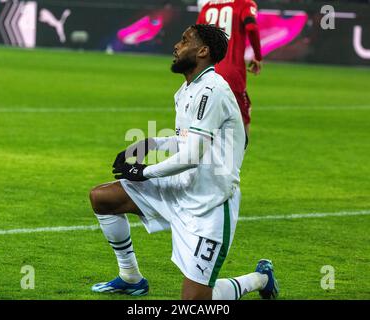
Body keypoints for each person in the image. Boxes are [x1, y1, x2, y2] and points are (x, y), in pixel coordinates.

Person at [89, 24, 278, 300]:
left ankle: (260, 278)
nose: (176, 46)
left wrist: (143, 171)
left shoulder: (212, 90)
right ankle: (131, 278)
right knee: (102, 198)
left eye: (184, 40)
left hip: (209, 204)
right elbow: (186, 141)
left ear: (203, 51)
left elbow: (191, 156)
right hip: (180, 188)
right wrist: (151, 143)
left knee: (196, 301)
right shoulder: (188, 89)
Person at [197, 0, 262, 136]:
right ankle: (238, 155)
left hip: (205, 74)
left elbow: (196, 37)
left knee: (206, 120)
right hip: (230, 73)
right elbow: (251, 27)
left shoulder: (208, 6)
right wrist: (258, 56)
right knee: (242, 117)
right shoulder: (244, 4)